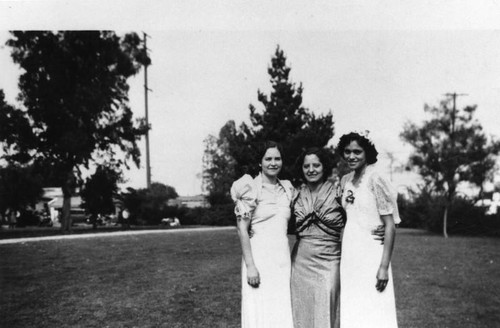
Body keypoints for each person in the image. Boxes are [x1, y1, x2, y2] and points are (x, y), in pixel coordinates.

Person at [337, 131, 400, 328]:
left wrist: (383, 267)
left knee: (374, 307)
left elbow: (390, 224)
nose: (351, 156)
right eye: (347, 152)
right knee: (353, 305)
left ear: (367, 153)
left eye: (357, 152)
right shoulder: (345, 180)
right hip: (350, 254)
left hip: (371, 255)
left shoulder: (376, 178)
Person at [231, 141, 295, 328]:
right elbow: (242, 228)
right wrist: (251, 266)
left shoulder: (288, 188)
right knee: (259, 309)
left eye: (277, 158)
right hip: (258, 259)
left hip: (282, 260)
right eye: (268, 159)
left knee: (280, 309)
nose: (273, 163)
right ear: (260, 162)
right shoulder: (250, 187)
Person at [291, 147, 345, 328]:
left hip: (330, 261)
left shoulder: (339, 192)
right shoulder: (295, 194)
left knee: (327, 311)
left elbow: (360, 216)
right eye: (306, 166)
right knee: (302, 312)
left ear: (324, 167)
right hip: (301, 263)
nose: (311, 169)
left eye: (316, 165)